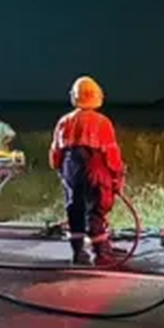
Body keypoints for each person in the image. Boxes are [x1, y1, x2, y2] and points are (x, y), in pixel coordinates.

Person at [50, 75, 125, 266]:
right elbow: (111, 154)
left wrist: (61, 170)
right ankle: (101, 254)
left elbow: (55, 152)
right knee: (97, 210)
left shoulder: (64, 121)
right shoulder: (102, 122)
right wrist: (116, 176)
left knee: (74, 208)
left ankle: (78, 253)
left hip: (70, 167)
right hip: (95, 168)